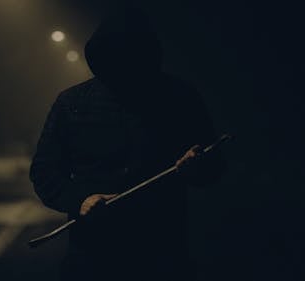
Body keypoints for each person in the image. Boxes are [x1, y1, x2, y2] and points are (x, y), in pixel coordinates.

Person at [30, 4, 225, 281]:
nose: (124, 63)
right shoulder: (71, 103)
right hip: (91, 259)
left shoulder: (180, 97)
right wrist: (80, 199)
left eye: (133, 54)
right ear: (101, 53)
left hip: (162, 257)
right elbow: (44, 170)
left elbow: (213, 165)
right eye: (115, 53)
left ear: (148, 53)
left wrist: (198, 167)